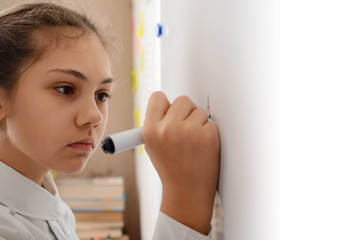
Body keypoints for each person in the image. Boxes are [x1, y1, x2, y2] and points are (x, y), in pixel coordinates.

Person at [0, 2, 220, 240]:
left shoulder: (54, 208)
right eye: (65, 89)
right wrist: (185, 201)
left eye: (101, 95)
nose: (95, 115)